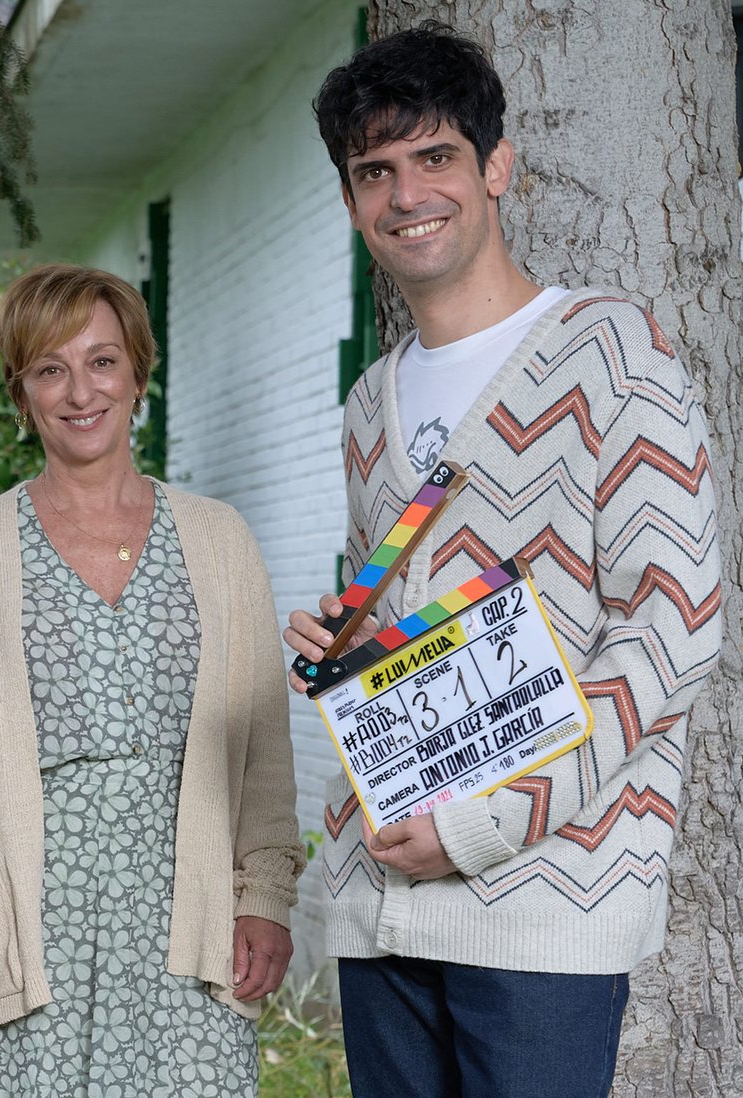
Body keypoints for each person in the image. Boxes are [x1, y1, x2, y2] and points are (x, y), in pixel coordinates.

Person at [287, 24, 725, 1098]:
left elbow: (672, 625)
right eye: (371, 173)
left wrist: (485, 824)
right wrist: (341, 639)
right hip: (380, 898)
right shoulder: (368, 401)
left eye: (432, 157)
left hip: (544, 897)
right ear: (350, 200)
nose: (403, 195)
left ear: (493, 167)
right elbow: (415, 605)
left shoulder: (608, 350)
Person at [0, 263, 304, 1095]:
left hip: (181, 919)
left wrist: (263, 894)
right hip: (18, 921)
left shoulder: (220, 541)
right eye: (51, 368)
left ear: (138, 372)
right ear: (23, 391)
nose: (80, 391)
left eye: (102, 361)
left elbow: (261, 744)